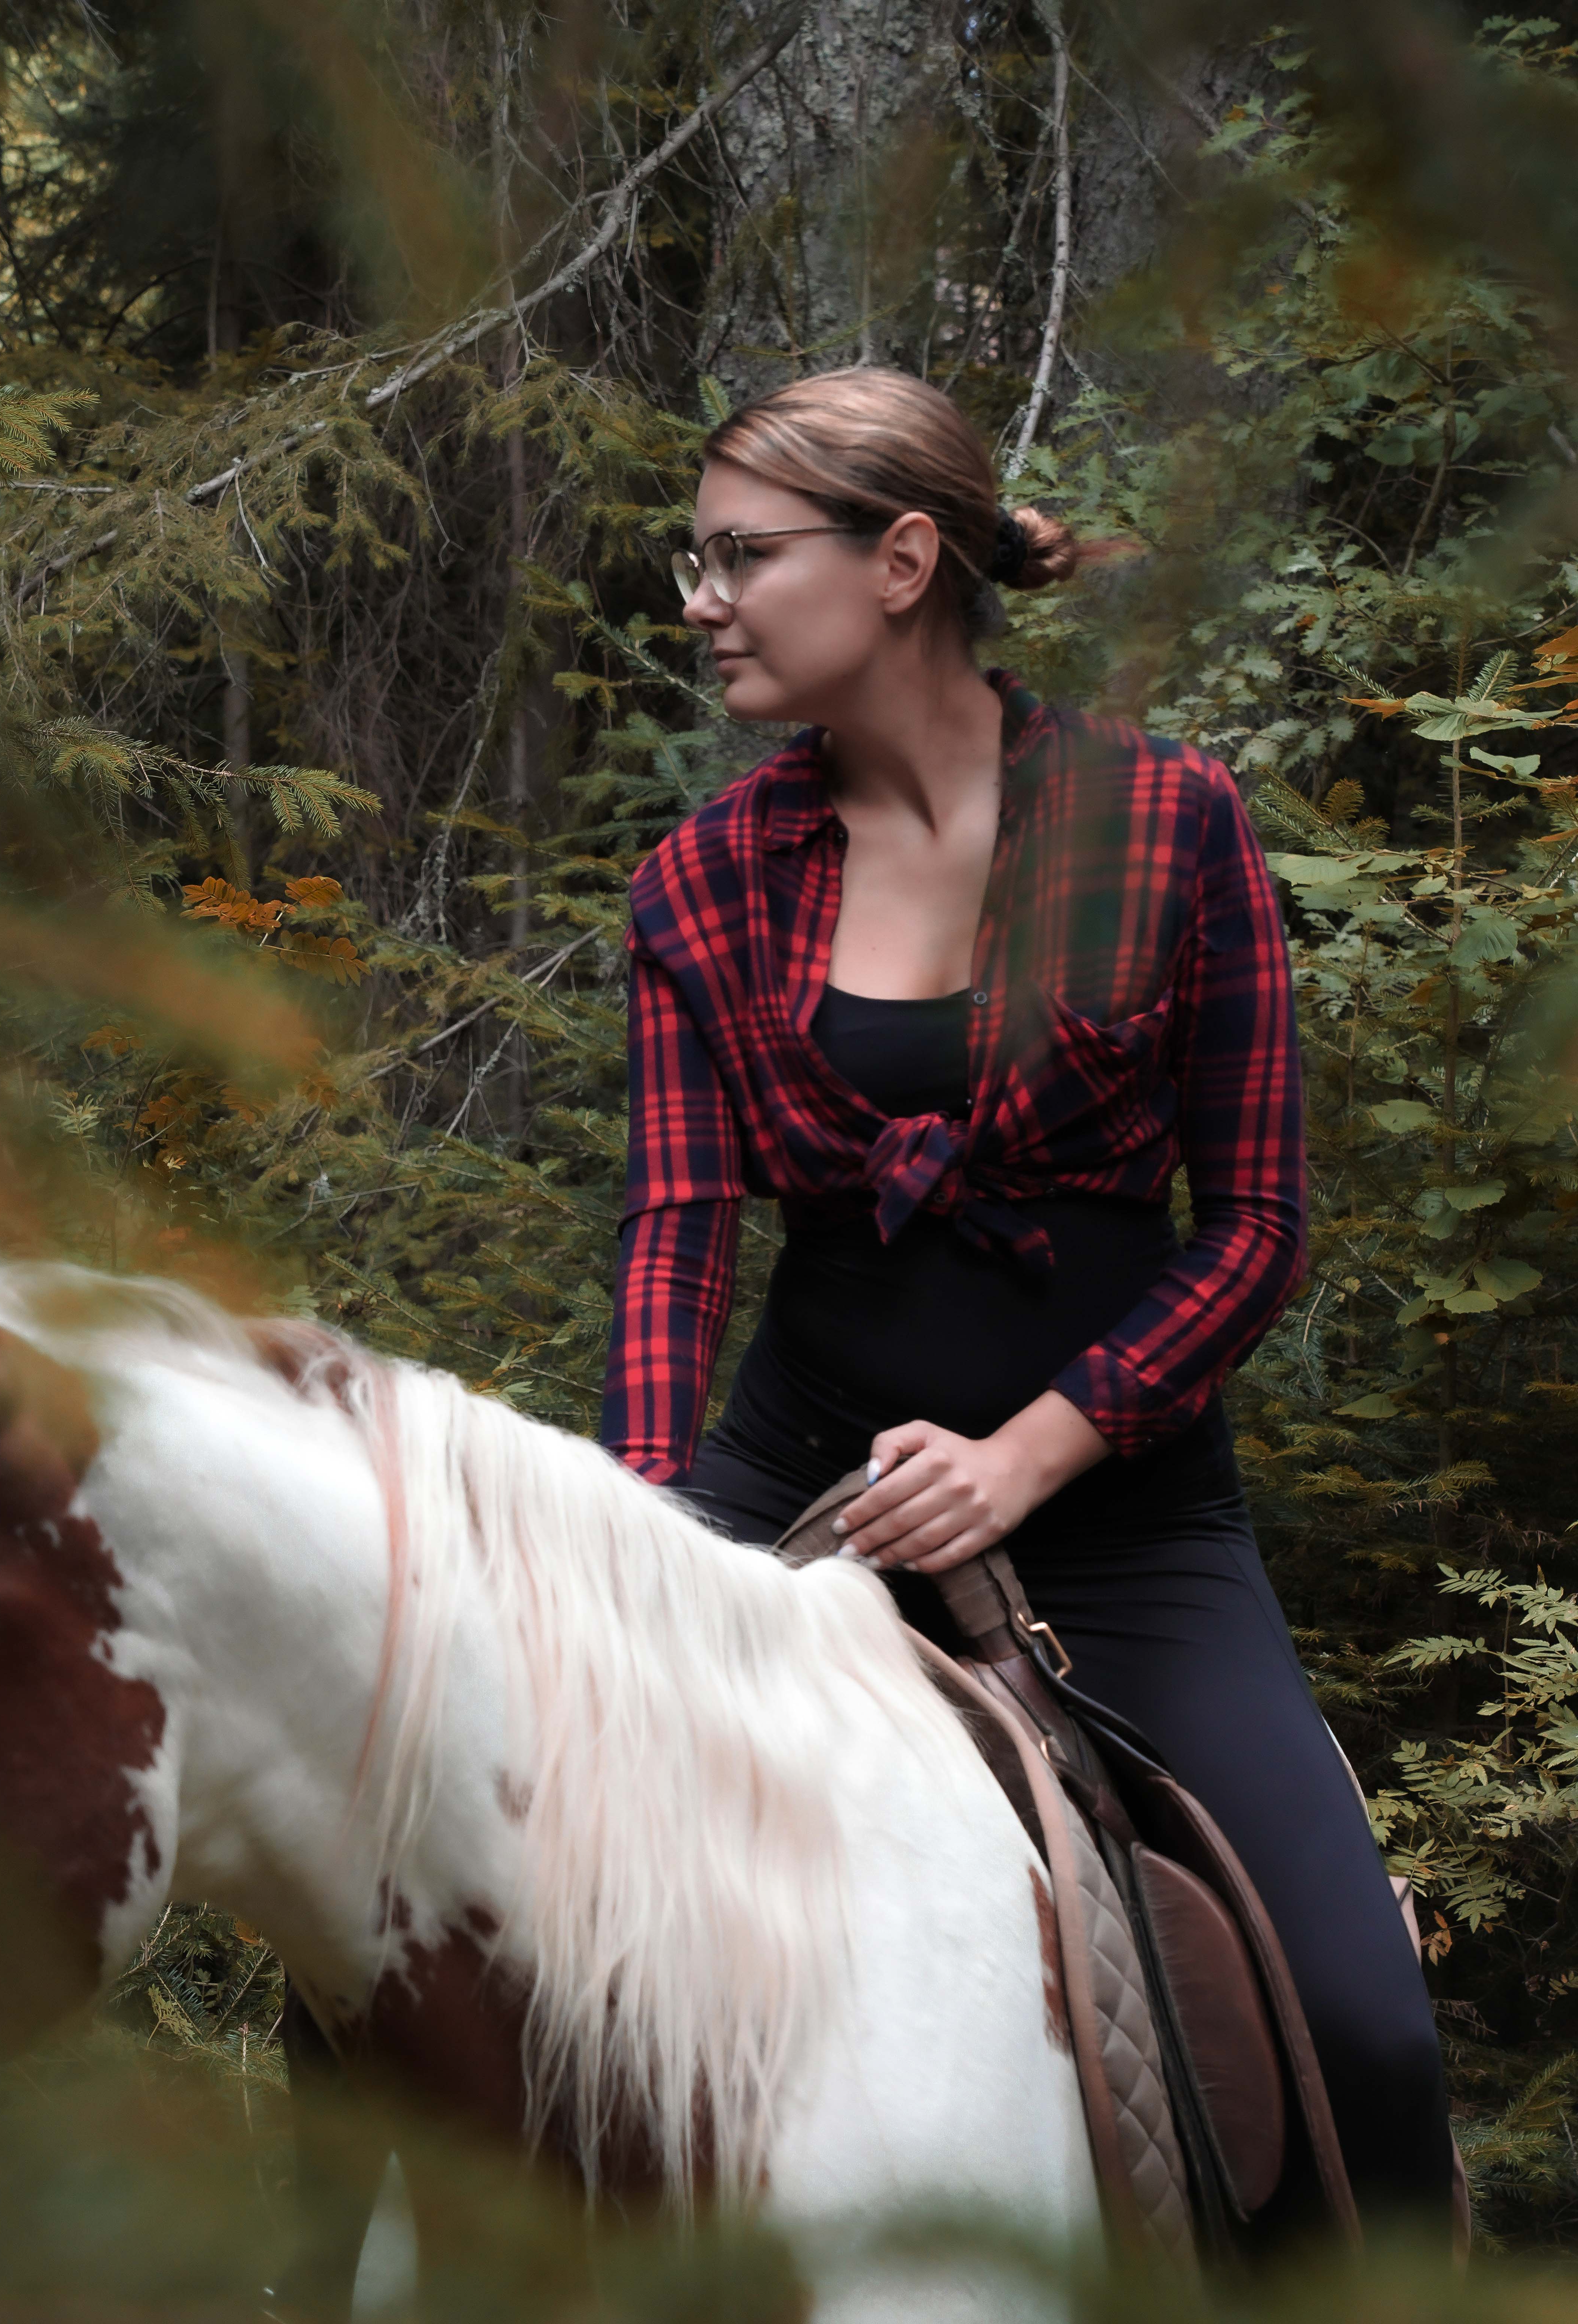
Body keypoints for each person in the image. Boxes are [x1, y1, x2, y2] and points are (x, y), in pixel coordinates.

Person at [599, 367, 1450, 2225]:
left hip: (1124, 1523)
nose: (698, 601)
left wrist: (1026, 1459)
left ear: (901, 558)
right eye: (697, 560)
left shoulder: (1170, 822)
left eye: (740, 556)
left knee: (1360, 2028)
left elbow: (1256, 1227)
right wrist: (649, 1541)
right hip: (782, 1497)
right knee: (497, 1883)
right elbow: (675, 1234)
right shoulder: (697, 880)